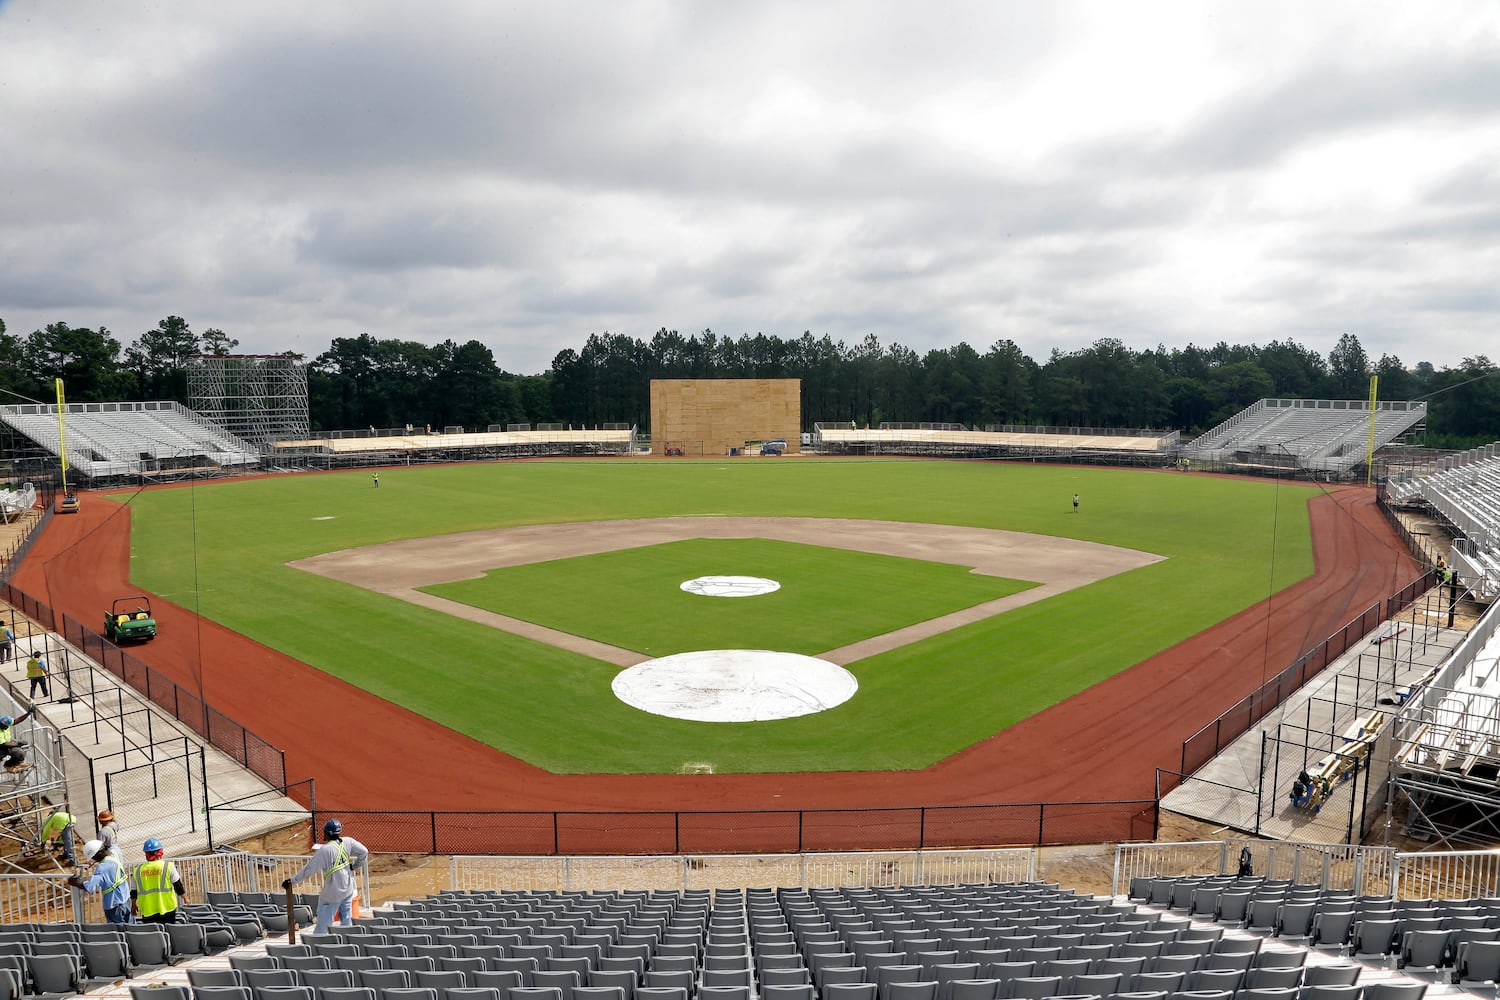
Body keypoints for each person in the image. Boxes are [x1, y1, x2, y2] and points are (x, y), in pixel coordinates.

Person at [283, 818, 368, 934]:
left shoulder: (325, 850)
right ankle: (348, 944)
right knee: (347, 923)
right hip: (348, 889)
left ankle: (319, 944)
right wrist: (355, 866)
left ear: (326, 833)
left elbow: (308, 870)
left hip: (332, 893)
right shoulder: (348, 842)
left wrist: (292, 881)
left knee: (323, 926)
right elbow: (364, 851)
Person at [68, 839, 132, 923]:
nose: (93, 859)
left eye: (93, 857)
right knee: (131, 927)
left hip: (114, 904)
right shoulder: (115, 854)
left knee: (118, 932)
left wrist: (74, 883)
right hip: (126, 899)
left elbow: (90, 886)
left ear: (98, 853)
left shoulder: (102, 867)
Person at [131, 837, 187, 923]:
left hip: (147, 910)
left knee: (153, 935)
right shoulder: (168, 866)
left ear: (146, 854)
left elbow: (134, 892)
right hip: (167, 908)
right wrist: (185, 898)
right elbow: (178, 885)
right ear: (160, 852)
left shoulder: (137, 870)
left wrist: (133, 905)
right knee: (168, 934)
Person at [40, 797, 77, 867]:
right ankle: (66, 854)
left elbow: (46, 831)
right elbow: (62, 833)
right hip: (70, 820)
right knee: (65, 837)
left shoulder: (49, 818)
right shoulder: (57, 816)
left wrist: (43, 841)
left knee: (68, 840)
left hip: (68, 822)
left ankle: (73, 859)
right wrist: (59, 842)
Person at [0, 704, 35, 771]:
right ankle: (8, 765)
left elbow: (18, 720)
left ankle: (17, 763)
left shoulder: (6, 722)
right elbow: (4, 744)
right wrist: (17, 745)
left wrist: (28, 713)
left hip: (7, 742)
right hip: (1, 748)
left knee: (25, 743)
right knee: (18, 751)